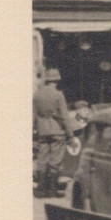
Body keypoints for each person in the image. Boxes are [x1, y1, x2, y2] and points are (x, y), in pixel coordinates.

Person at [33, 68, 75, 198]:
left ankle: (40, 189)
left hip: (42, 130)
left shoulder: (37, 94)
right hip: (57, 131)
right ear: (57, 80)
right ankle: (52, 189)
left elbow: (33, 115)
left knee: (42, 159)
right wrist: (70, 135)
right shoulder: (58, 95)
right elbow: (64, 116)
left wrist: (35, 130)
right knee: (55, 160)